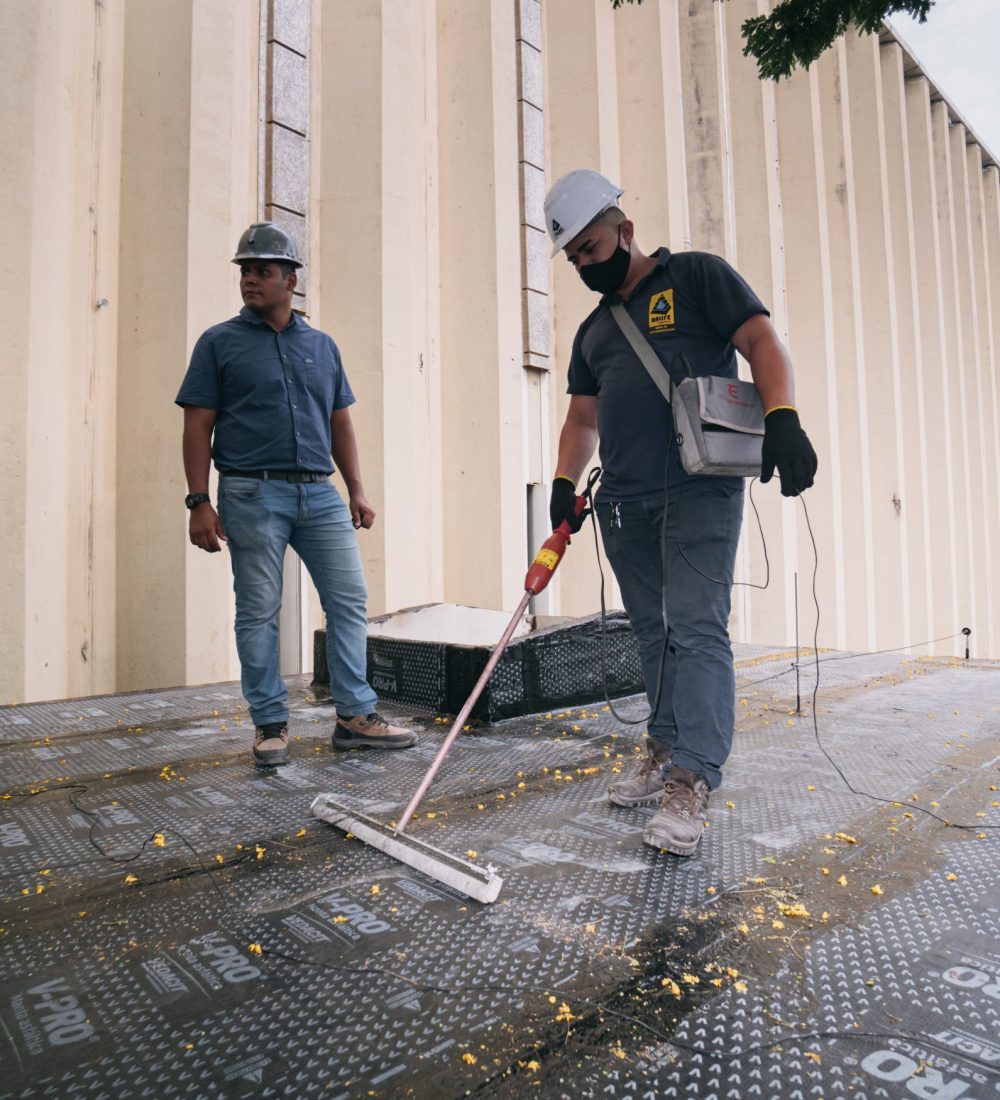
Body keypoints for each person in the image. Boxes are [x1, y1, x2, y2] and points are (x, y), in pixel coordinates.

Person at [544, 171, 816, 856]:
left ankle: (692, 780)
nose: (584, 264)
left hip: (699, 489)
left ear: (626, 232)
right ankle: (663, 748)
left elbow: (760, 340)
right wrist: (561, 483)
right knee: (653, 632)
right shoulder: (593, 332)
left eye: (591, 247)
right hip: (624, 503)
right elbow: (583, 415)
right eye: (574, 257)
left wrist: (782, 416)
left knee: (696, 628)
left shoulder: (696, 277)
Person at [176, 222, 416, 767]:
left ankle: (356, 716)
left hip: (319, 494)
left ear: (291, 279)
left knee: (349, 599)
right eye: (244, 271)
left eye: (262, 270)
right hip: (251, 493)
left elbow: (340, 424)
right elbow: (197, 427)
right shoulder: (218, 343)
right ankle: (269, 723)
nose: (250, 280)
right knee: (259, 610)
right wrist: (198, 501)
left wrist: (355, 489)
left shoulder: (322, 347)